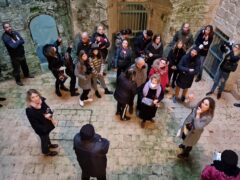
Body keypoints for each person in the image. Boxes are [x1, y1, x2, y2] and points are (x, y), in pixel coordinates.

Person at [25, 89, 58, 156]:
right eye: (33, 97)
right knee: (44, 140)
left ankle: (49, 144)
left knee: (47, 136)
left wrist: (49, 114)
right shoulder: (29, 110)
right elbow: (34, 124)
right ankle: (46, 151)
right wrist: (43, 130)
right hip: (41, 129)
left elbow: (47, 108)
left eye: (37, 96)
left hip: (47, 124)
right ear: (29, 99)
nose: (36, 99)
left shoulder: (41, 101)